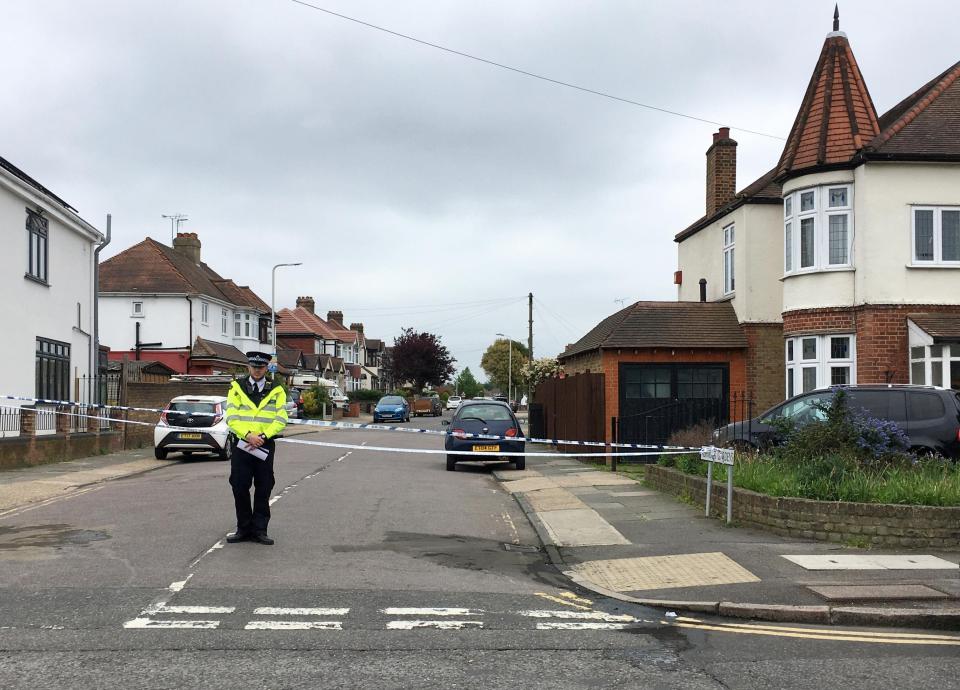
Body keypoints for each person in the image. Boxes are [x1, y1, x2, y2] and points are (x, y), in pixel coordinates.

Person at [225, 351, 288, 545]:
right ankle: (243, 529)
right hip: (242, 444)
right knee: (239, 486)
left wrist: (264, 436)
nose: (257, 370)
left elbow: (281, 418)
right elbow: (231, 417)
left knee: (264, 487)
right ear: (248, 367)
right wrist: (248, 435)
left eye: (261, 367)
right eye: (254, 367)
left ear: (266, 368)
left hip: (265, 444)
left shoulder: (277, 389)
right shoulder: (236, 388)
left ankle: (260, 530)